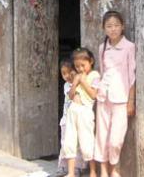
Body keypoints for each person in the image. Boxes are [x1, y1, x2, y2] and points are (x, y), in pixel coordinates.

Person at [94, 11, 136, 177]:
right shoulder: (102, 47)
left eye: (116, 25)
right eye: (109, 26)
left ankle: (115, 167)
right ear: (104, 28)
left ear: (122, 26)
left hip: (121, 99)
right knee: (102, 136)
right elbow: (103, 72)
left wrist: (131, 101)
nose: (113, 29)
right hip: (103, 98)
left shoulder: (129, 47)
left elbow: (132, 76)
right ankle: (104, 170)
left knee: (116, 140)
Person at [63, 48, 100, 177]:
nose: (80, 69)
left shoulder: (95, 76)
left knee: (87, 140)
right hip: (73, 109)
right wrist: (74, 83)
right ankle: (71, 172)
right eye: (77, 66)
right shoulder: (77, 76)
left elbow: (93, 95)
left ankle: (93, 171)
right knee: (69, 140)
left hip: (85, 112)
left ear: (91, 62)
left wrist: (83, 81)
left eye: (83, 65)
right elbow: (71, 96)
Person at [57, 60, 85, 176]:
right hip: (66, 120)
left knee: (77, 145)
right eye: (63, 73)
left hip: (77, 121)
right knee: (65, 144)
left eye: (70, 72)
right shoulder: (66, 86)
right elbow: (71, 95)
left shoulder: (82, 84)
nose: (67, 76)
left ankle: (77, 168)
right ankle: (63, 166)